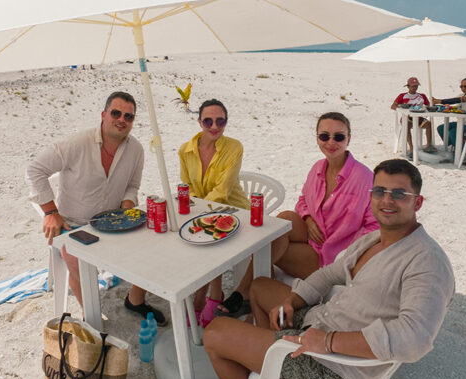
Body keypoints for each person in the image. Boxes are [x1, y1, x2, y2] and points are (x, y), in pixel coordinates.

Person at [204, 159, 455, 379]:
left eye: (399, 194)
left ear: (418, 202)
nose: (387, 200)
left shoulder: (426, 261)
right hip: (324, 324)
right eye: (379, 191)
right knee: (260, 288)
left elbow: (414, 339)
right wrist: (292, 300)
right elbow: (332, 272)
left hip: (338, 370)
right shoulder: (376, 239)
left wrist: (327, 342)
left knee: (214, 334)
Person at [216, 112, 378, 319]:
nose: (331, 142)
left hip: (332, 255)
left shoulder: (364, 178)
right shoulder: (318, 168)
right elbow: (302, 200)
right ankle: (254, 288)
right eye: (324, 136)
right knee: (285, 218)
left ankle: (243, 292)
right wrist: (308, 218)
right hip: (312, 237)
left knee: (268, 245)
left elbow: (374, 226)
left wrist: (345, 248)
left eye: (339, 137)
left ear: (349, 139)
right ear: (317, 138)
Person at [26, 91, 166, 326]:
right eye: (116, 113)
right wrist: (51, 212)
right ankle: (90, 313)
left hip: (112, 221)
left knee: (154, 242)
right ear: (103, 115)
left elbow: (132, 186)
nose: (122, 119)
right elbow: (35, 170)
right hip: (73, 222)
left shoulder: (137, 150)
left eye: (129, 117)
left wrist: (127, 210)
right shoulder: (77, 144)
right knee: (74, 258)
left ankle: (135, 299)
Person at [178, 99, 250, 327]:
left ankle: (202, 297)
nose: (214, 126)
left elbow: (223, 190)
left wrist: (198, 215)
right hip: (203, 211)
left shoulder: (234, 147)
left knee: (208, 241)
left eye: (220, 120)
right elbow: (186, 185)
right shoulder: (185, 150)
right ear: (199, 122)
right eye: (208, 120)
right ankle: (213, 293)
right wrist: (193, 211)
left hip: (236, 212)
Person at [390, 76, 434, 153]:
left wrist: (426, 107)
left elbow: (428, 106)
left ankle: (428, 145)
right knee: (406, 125)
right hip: (407, 118)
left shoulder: (422, 96)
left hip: (419, 118)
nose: (415, 88)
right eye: (413, 86)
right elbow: (393, 106)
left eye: (416, 86)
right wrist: (401, 106)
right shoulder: (402, 96)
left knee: (428, 124)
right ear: (408, 86)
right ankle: (411, 147)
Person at [433, 77, 466, 148]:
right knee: (441, 128)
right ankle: (453, 146)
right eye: (461, 86)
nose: (463, 88)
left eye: (465, 86)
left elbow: (456, 100)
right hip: (461, 122)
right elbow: (456, 105)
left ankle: (462, 152)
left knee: (453, 132)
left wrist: (440, 101)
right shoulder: (461, 95)